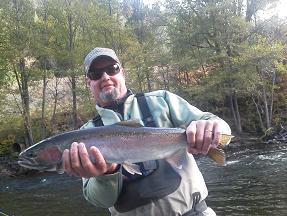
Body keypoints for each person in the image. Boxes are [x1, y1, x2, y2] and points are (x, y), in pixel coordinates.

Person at [62, 47, 231, 216]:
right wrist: (105, 175)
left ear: (123, 72)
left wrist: (212, 130)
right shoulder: (84, 135)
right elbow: (100, 201)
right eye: (95, 74)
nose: (105, 77)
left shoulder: (162, 101)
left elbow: (218, 124)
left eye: (112, 69)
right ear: (88, 82)